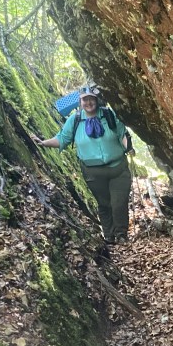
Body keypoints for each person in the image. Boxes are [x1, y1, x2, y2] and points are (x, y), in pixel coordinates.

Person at [34, 85, 135, 243]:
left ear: (96, 100)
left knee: (119, 202)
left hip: (118, 169)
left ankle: (121, 234)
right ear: (80, 102)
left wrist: (128, 148)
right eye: (84, 99)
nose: (88, 102)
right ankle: (109, 235)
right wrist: (43, 143)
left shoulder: (109, 115)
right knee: (104, 203)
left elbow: (122, 133)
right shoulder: (74, 121)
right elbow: (62, 139)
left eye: (91, 99)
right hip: (93, 173)